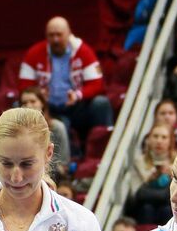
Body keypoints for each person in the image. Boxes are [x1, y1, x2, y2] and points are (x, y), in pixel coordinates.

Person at [17, 16, 113, 146]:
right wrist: (38, 95)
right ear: (46, 36)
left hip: (76, 106)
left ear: (69, 34)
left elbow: (97, 84)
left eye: (59, 35)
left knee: (101, 103)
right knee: (17, 105)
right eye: (51, 35)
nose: (55, 39)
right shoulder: (34, 53)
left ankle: (103, 148)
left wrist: (78, 95)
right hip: (47, 107)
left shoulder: (84, 51)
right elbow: (24, 85)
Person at [126, 124, 177, 225]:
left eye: (164, 137)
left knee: (167, 210)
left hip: (168, 207)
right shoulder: (138, 162)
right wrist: (149, 179)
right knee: (147, 209)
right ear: (148, 140)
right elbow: (135, 194)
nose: (159, 141)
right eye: (155, 136)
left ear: (170, 141)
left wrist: (173, 175)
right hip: (143, 207)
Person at [18, 86, 72, 175]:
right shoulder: (17, 130)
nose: (28, 106)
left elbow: (63, 163)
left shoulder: (57, 127)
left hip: (54, 173)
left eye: (33, 101)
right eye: (24, 103)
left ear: (42, 103)